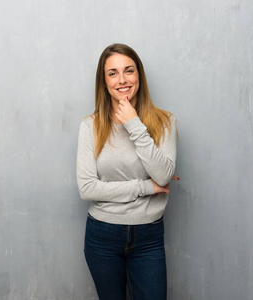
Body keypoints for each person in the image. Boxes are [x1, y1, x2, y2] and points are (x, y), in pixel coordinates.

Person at [76, 43, 178, 300]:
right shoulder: (91, 126)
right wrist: (146, 187)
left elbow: (163, 176)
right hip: (102, 235)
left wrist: (134, 123)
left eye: (128, 71)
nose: (122, 80)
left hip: (148, 236)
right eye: (112, 73)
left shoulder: (165, 122)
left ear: (139, 76)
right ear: (104, 81)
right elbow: (87, 188)